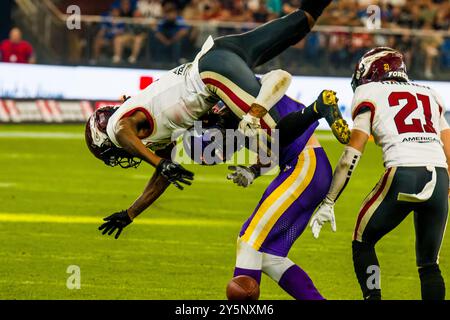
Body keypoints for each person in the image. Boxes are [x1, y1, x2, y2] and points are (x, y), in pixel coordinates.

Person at [85, 0, 350, 235]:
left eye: (110, 152)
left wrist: (157, 162)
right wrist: (131, 212)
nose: (118, 156)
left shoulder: (120, 126)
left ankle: (315, 105)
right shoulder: (146, 129)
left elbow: (123, 132)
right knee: (302, 22)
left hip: (212, 75)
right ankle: (264, 91)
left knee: (273, 140)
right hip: (220, 54)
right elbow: (164, 175)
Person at [310, 47, 450, 300]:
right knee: (429, 264)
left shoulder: (369, 92)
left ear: (370, 70)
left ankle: (373, 297)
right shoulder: (431, 93)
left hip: (404, 172)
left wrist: (330, 200)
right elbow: (449, 149)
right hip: (439, 177)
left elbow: (352, 153)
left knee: (363, 241)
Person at [183, 91, 334, 300]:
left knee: (249, 243)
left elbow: (277, 137)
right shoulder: (245, 113)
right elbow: (273, 147)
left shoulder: (249, 105)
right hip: (305, 168)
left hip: (304, 165)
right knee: (269, 257)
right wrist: (253, 170)